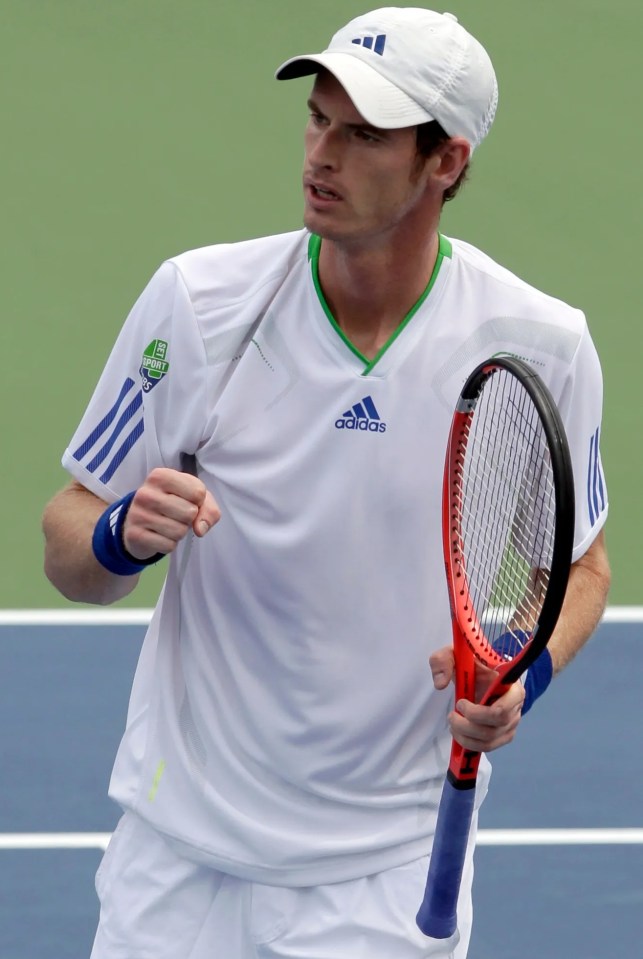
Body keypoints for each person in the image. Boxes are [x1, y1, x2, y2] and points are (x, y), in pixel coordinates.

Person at [42, 8, 611, 958]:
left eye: (363, 134)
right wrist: (118, 538)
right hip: (176, 854)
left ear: (446, 162)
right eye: (316, 120)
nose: (322, 154)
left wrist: (527, 671)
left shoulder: (540, 344)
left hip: (384, 872)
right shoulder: (197, 302)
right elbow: (69, 546)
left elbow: (579, 567)